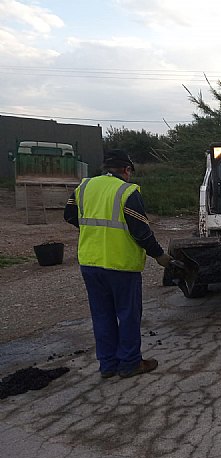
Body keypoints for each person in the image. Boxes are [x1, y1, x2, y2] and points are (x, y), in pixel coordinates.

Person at [64, 149, 172, 379]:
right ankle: (131, 363)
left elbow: (70, 216)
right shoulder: (127, 191)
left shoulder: (84, 187)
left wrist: (94, 233)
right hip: (121, 264)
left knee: (102, 315)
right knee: (128, 314)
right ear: (127, 170)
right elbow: (141, 232)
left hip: (90, 263)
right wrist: (159, 255)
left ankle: (108, 365)